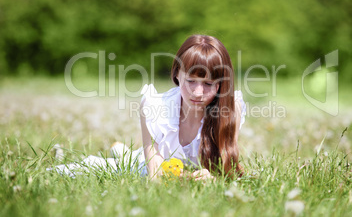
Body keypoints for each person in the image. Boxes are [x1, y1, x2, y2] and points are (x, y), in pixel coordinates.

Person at [49, 34, 246, 180]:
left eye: (208, 84)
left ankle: (120, 150)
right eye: (191, 81)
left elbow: (226, 169)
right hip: (148, 164)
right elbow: (155, 177)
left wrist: (212, 178)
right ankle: (121, 153)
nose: (197, 92)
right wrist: (185, 179)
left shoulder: (230, 108)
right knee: (105, 168)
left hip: (179, 167)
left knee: (127, 156)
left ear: (220, 84)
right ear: (177, 74)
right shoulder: (155, 107)